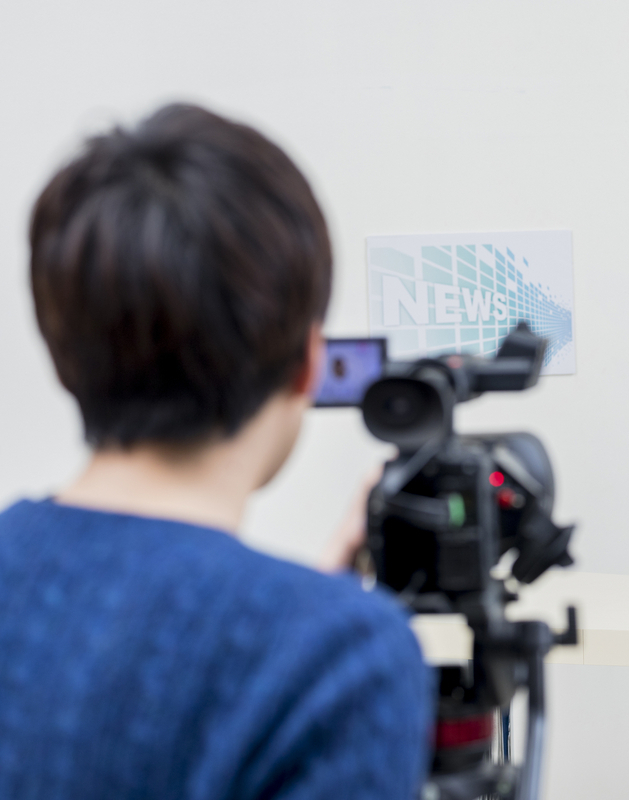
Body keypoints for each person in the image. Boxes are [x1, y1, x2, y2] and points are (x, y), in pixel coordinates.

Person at [0, 104, 430, 799]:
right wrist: (319, 630)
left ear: (61, 355)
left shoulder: (321, 646)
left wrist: (310, 611)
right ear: (308, 364)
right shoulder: (341, 659)